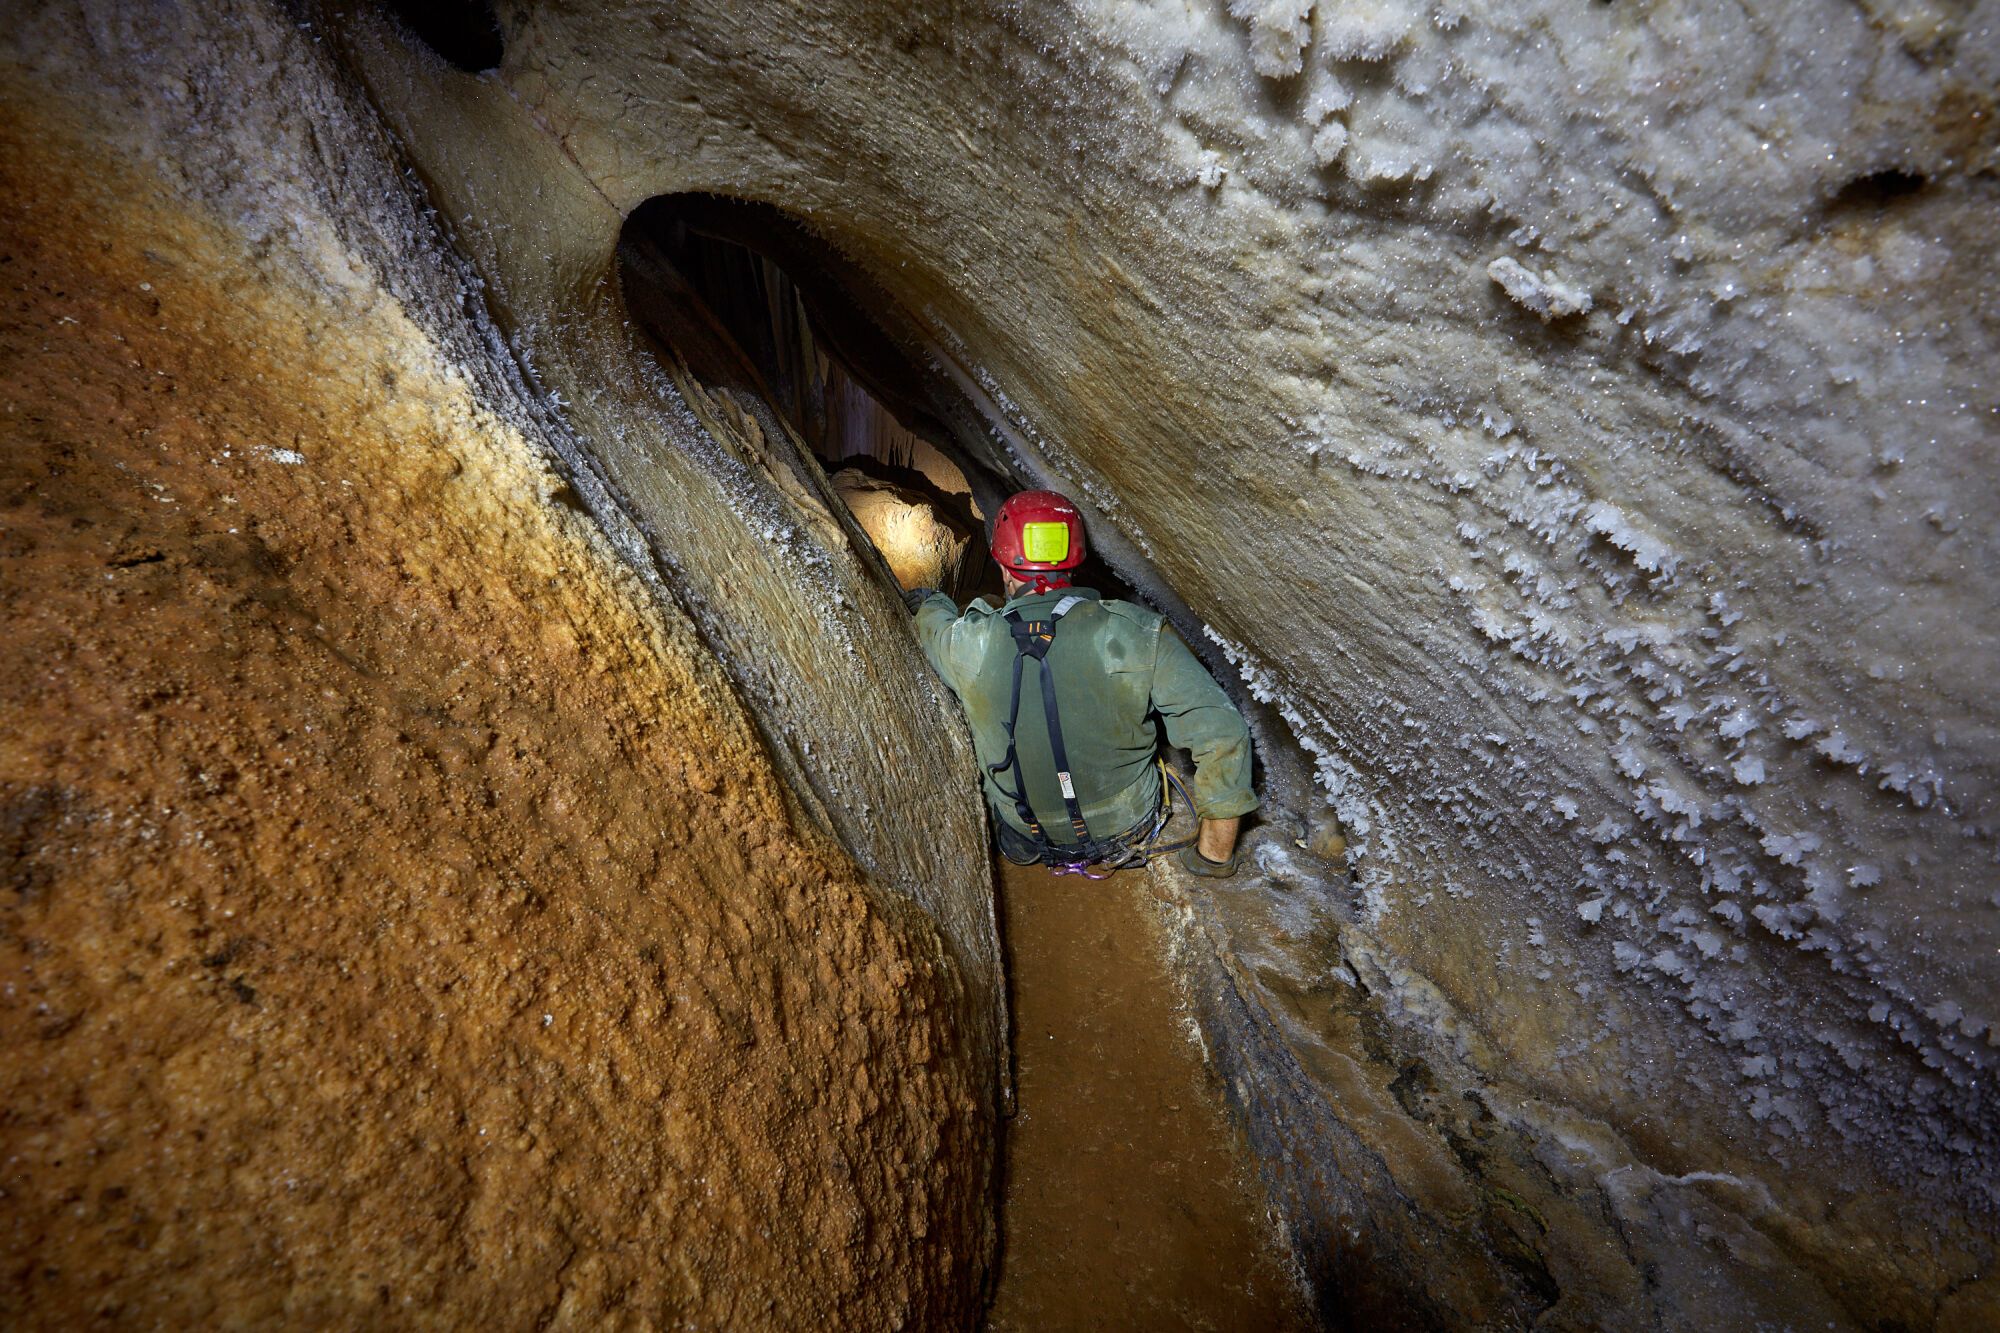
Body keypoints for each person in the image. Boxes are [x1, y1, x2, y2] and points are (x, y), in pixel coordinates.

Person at [906, 489, 1257, 877]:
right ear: (1075, 559)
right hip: (1125, 825)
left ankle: (1024, 844)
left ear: (1004, 568)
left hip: (1023, 829)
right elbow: (1224, 733)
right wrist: (1212, 857)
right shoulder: (1139, 634)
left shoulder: (968, 643)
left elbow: (931, 626)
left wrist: (931, 600)